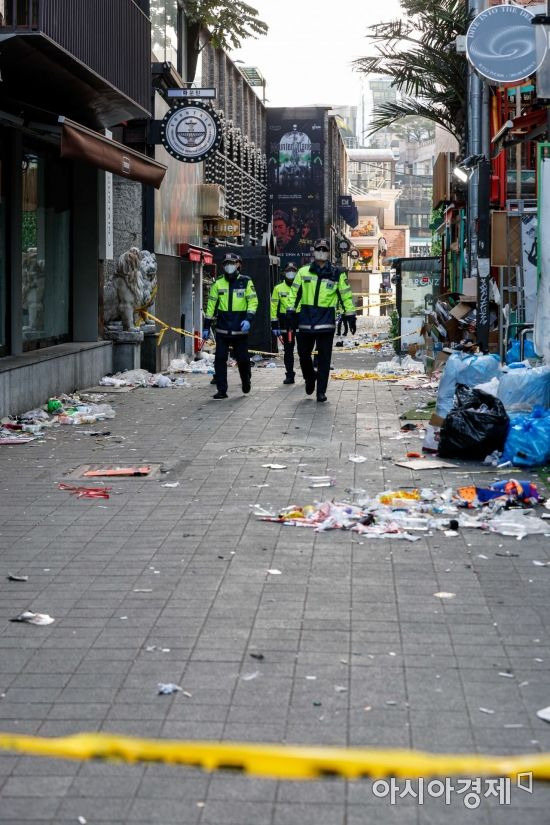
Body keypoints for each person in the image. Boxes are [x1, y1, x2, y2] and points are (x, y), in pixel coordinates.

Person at [287, 238, 356, 403]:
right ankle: (310, 378)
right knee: (303, 355)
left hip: (326, 322)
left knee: (324, 358)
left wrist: (350, 315)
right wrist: (290, 312)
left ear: (328, 253)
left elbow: (345, 294)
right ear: (314, 251)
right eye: (318, 249)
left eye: (324, 249)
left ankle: (321, 392)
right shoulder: (303, 272)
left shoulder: (337, 273)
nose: (321, 252)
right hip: (306, 320)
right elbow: (293, 294)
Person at [202, 253, 258, 400]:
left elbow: (253, 302)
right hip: (222, 329)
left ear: (238, 264)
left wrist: (248, 319)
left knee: (243, 360)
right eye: (226, 263)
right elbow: (211, 306)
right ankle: (222, 390)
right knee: (220, 359)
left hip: (240, 330)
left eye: (232, 263)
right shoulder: (218, 283)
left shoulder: (246, 282)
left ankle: (246, 380)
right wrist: (206, 327)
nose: (229, 266)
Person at [271, 262, 299, 384]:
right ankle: (290, 375)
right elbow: (273, 306)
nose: (291, 273)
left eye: (293, 270)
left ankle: (307, 374)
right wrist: (274, 324)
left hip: (300, 321)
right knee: (288, 350)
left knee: (304, 351)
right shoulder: (278, 288)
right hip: (286, 324)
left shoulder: (301, 286)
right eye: (289, 270)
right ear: (285, 272)